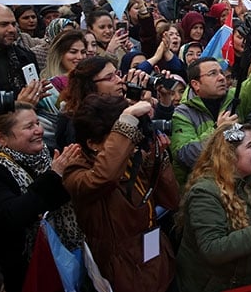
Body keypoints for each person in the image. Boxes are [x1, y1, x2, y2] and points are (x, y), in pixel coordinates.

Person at [63, 95, 179, 292]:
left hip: (155, 257)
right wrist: (126, 120)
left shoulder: (132, 160)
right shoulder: (76, 173)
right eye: (119, 134)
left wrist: (155, 160)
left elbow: (172, 200)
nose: (129, 138)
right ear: (93, 144)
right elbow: (104, 177)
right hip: (124, 271)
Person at [0, 102, 83, 292]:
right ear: (1, 138)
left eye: (37, 123)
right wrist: (54, 176)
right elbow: (9, 215)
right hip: (22, 269)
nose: (39, 130)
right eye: (29, 127)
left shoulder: (48, 153)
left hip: (61, 257)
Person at [175, 123, 251, 292]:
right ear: (229, 155)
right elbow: (212, 249)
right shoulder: (204, 192)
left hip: (242, 281)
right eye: (250, 146)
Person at [170, 29, 251, 186]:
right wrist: (218, 130)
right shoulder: (182, 113)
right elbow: (186, 155)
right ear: (196, 84)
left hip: (239, 182)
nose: (222, 77)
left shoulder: (234, 98)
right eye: (213, 74)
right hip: (206, 189)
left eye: (221, 73)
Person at [0, 3, 39, 97]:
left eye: (13, 24)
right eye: (3, 24)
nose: (12, 29)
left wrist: (35, 92)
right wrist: (18, 105)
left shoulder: (25, 57)